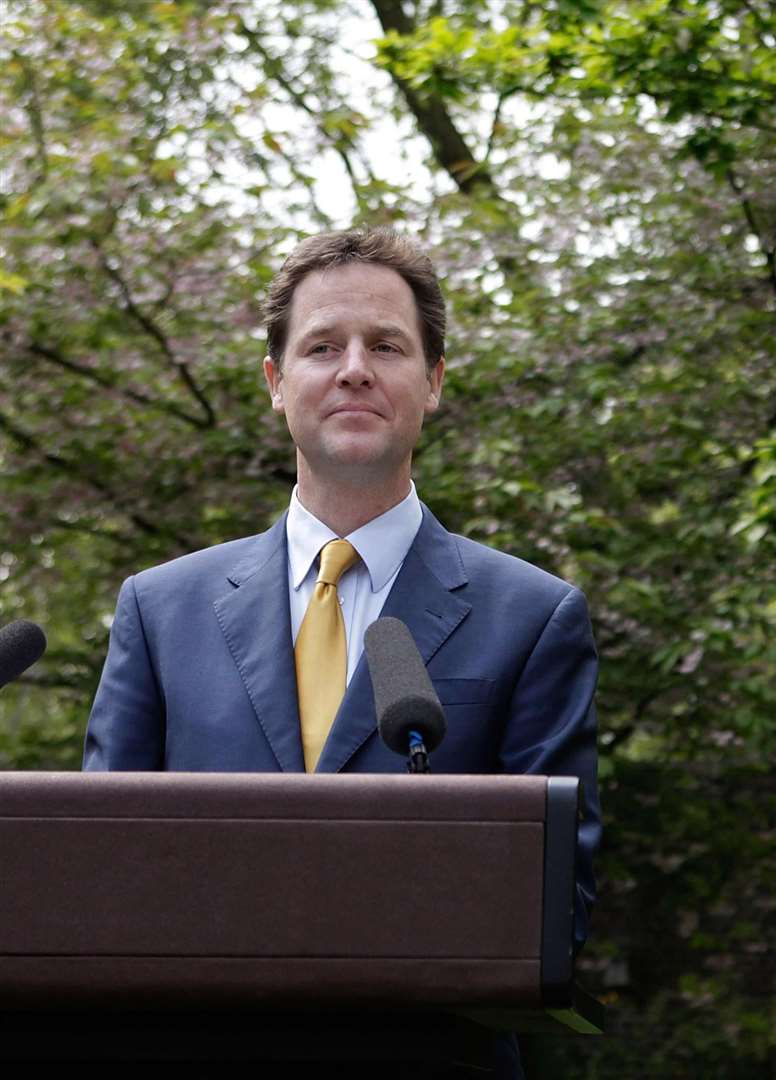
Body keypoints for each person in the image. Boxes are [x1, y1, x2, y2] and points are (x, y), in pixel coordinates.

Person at [83, 229, 598, 1074]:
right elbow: (106, 873)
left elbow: (555, 902)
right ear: (277, 384)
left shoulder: (535, 616)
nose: (354, 367)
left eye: (386, 345)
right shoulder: (159, 608)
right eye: (322, 346)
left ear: (431, 383)